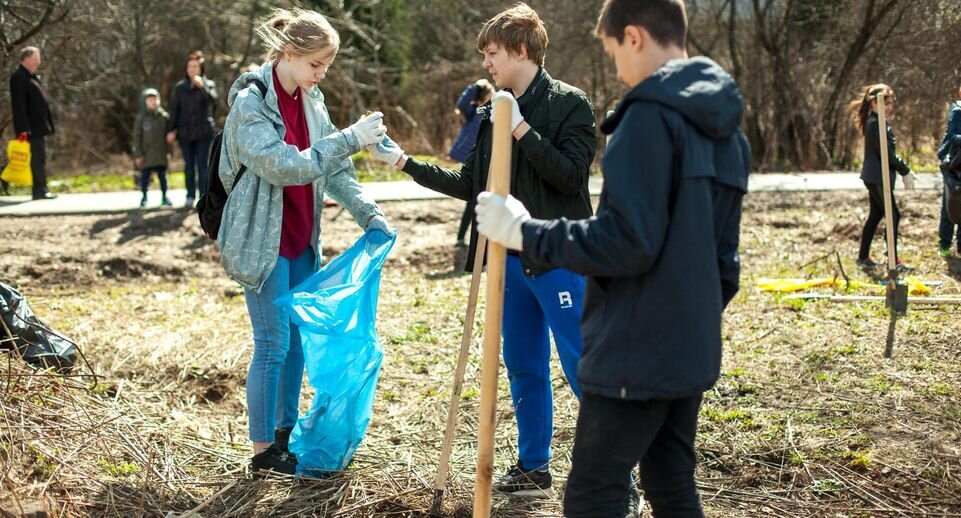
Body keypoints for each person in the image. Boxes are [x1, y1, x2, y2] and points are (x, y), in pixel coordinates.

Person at [474, 0, 749, 515]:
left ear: (634, 37)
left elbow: (625, 240)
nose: (617, 68)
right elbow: (725, 263)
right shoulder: (727, 128)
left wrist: (524, 231)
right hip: (692, 341)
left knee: (593, 493)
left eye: (612, 51)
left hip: (635, 345)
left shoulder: (646, 120)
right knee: (670, 482)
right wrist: (693, 316)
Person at [367, 2, 595, 498]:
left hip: (560, 259)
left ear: (519, 50)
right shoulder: (493, 110)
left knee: (584, 369)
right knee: (524, 366)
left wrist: (518, 128)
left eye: (492, 53)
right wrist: (404, 161)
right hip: (505, 265)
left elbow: (571, 176)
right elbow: (470, 183)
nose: (486, 65)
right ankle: (534, 467)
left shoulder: (569, 103)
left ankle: (616, 475)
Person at [217, 7, 391, 475]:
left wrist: (369, 215)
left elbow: (334, 169)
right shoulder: (250, 103)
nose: (321, 75)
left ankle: (283, 436)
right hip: (261, 241)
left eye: (326, 67)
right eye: (316, 65)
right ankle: (261, 454)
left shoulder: (313, 102)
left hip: (301, 240)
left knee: (294, 341)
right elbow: (282, 164)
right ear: (289, 54)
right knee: (271, 343)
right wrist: (350, 137)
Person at [848, 83, 916, 271]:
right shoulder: (874, 123)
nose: (888, 107)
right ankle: (893, 261)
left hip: (876, 176)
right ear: (873, 103)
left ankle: (863, 257)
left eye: (889, 103)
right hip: (877, 177)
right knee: (893, 215)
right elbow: (887, 154)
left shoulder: (878, 121)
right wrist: (906, 170)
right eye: (884, 103)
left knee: (876, 215)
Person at [167, 50, 218, 208]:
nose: (192, 69)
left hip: (203, 132)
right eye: (189, 66)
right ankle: (189, 196)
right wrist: (170, 130)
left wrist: (202, 87)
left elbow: (213, 102)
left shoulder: (208, 85)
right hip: (185, 133)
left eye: (195, 66)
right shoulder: (179, 88)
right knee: (189, 165)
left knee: (203, 165)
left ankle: (203, 197)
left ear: (201, 68)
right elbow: (174, 110)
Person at [449, 78, 494, 247]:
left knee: (477, 200)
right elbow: (461, 103)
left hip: (486, 159)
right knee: (472, 199)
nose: (494, 94)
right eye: (490, 92)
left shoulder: (497, 112)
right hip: (471, 160)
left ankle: (474, 239)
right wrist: (475, 86)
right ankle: (463, 238)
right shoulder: (474, 111)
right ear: (483, 96)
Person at [9, 46, 56, 200]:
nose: (38, 61)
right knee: (36, 158)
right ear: (27, 58)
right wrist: (23, 128)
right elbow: (19, 105)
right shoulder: (19, 77)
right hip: (30, 128)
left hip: (37, 126)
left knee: (39, 157)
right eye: (36, 58)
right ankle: (39, 190)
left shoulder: (30, 76)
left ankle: (41, 188)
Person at [131, 88, 172, 208]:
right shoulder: (141, 118)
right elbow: (137, 137)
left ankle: (165, 197)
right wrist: (138, 154)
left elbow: (169, 134)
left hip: (160, 153)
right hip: (146, 154)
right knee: (145, 177)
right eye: (150, 100)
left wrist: (169, 151)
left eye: (155, 99)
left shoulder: (163, 116)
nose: (153, 102)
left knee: (163, 177)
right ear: (145, 102)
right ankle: (144, 197)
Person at [936, 86, 961, 258]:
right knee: (949, 204)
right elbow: (952, 135)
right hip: (952, 164)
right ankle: (944, 244)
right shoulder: (957, 110)